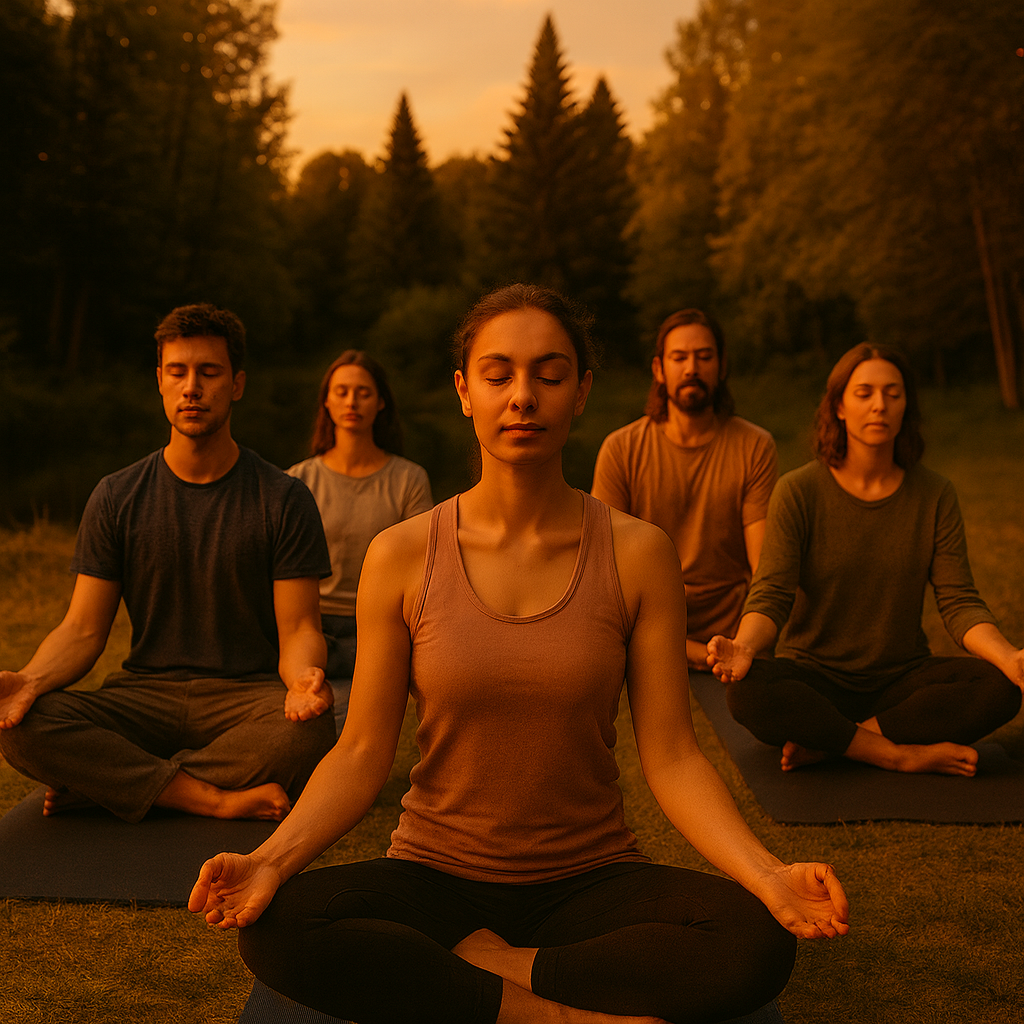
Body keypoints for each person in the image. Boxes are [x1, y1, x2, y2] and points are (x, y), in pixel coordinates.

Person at [190, 285, 848, 1024]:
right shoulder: (403, 555)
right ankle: (553, 1015)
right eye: (499, 374)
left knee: (754, 941)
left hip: (589, 878)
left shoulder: (638, 554)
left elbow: (670, 754)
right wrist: (270, 861)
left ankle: (494, 970)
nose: (523, 397)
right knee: (277, 927)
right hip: (436, 876)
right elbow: (362, 750)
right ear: (465, 391)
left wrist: (768, 875)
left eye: (550, 373)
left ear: (582, 392)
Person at [0, 303, 336, 823]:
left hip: (244, 698)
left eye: (209, 372)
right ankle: (208, 797)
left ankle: (113, 784)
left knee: (309, 728)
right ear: (159, 380)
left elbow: (298, 627)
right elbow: (83, 629)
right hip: (144, 696)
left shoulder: (284, 497)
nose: (192, 387)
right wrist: (30, 680)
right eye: (177, 372)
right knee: (24, 725)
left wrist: (301, 680)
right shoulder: (116, 495)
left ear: (237, 383)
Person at [708, 343, 1023, 776]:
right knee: (748, 692)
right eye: (864, 393)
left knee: (999, 687)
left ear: (905, 405)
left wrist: (1008, 657)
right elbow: (772, 593)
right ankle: (896, 753)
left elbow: (959, 601)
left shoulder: (935, 495)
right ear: (838, 406)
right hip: (815, 679)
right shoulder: (798, 491)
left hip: (900, 680)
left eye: (893, 394)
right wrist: (744, 647)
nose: (880, 406)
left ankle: (838, 741)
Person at [592, 310, 776, 671]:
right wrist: (686, 650)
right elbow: (604, 571)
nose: (692, 368)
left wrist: (745, 644)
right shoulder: (622, 449)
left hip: (733, 632)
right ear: (659, 370)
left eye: (704, 357)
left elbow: (765, 569)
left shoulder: (755, 446)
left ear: (721, 367)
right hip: (647, 628)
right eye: (680, 358)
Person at [287, 351, 432, 683]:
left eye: (363, 393)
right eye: (342, 392)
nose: (352, 401)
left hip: (383, 623)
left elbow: (421, 566)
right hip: (312, 623)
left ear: (381, 402)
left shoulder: (408, 479)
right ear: (326, 401)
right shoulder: (298, 481)